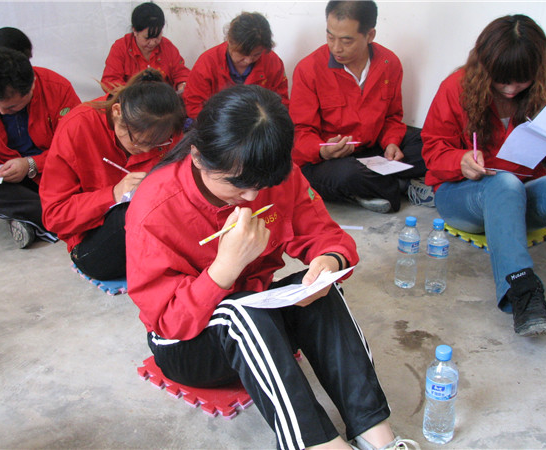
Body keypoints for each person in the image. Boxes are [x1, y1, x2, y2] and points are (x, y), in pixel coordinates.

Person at [126, 85, 419, 450]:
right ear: (199, 157)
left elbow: (326, 235)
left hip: (258, 318)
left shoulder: (273, 175)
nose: (251, 197)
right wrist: (224, 269)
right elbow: (168, 320)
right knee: (238, 312)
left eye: (261, 185)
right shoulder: (154, 207)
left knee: (318, 291)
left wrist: (328, 261)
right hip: (188, 345)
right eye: (237, 184)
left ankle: (375, 433)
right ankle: (315, 445)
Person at [421, 14, 546, 336]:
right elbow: (432, 150)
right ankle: (523, 292)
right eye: (501, 80)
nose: (510, 90)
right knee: (504, 183)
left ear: (537, 71)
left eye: (521, 81)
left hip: (521, 196)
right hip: (463, 195)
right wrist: (460, 161)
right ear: (485, 67)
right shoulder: (456, 87)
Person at [40, 69, 186, 280]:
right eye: (138, 142)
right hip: (94, 241)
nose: (147, 151)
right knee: (132, 212)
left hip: (156, 234)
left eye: (158, 144)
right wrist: (113, 194)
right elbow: (54, 216)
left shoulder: (168, 128)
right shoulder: (78, 126)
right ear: (117, 112)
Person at [289, 1, 427, 214]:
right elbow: (300, 132)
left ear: (370, 35)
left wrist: (391, 143)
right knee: (346, 175)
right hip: (329, 160)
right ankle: (402, 186)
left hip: (372, 149)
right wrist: (323, 150)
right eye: (330, 37)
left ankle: (372, 188)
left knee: (427, 143)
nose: (336, 48)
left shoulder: (388, 63)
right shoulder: (309, 69)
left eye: (346, 41)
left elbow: (392, 117)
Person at [0, 47, 80, 248]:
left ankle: (34, 219)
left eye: (11, 107)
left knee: (83, 182)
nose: (2, 112)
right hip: (4, 177)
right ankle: (63, 217)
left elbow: (76, 146)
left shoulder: (57, 89)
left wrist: (32, 164)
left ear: (32, 85)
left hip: (52, 172)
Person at [182, 11, 289, 120]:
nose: (248, 60)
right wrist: (220, 125)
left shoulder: (273, 62)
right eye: (243, 54)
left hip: (258, 123)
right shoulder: (207, 63)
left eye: (256, 54)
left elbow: (281, 104)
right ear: (230, 41)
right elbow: (193, 105)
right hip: (217, 123)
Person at [101, 2, 189, 94]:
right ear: (135, 31)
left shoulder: (167, 47)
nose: (152, 42)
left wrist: (182, 84)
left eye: (157, 36)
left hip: (162, 100)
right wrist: (134, 93)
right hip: (130, 99)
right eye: (147, 38)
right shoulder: (120, 48)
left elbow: (181, 73)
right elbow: (109, 81)